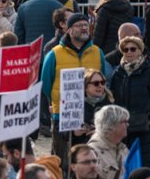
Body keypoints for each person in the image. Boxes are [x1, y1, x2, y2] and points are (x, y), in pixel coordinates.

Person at [42, 12, 110, 162]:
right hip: (63, 115)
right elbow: (46, 83)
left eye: (86, 25)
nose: (84, 28)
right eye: (79, 25)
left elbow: (103, 79)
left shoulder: (97, 53)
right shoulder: (54, 54)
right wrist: (56, 102)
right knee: (62, 160)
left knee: (90, 159)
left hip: (91, 115)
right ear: (69, 30)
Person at [110, 36, 150, 162]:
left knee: (144, 168)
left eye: (133, 49)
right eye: (125, 50)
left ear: (140, 51)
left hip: (144, 133)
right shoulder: (118, 73)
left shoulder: (149, 71)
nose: (129, 52)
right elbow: (112, 100)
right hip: (122, 132)